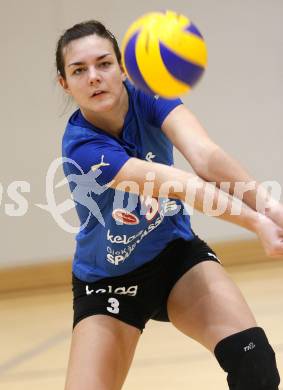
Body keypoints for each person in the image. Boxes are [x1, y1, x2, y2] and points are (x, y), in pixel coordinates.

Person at [56, 20, 282, 390]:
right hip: (109, 284)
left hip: (176, 259)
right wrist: (257, 224)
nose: (94, 77)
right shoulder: (83, 148)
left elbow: (205, 157)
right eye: (79, 70)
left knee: (254, 363)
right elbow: (182, 186)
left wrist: (270, 208)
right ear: (65, 83)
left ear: (123, 68)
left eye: (104, 64)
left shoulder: (149, 96)